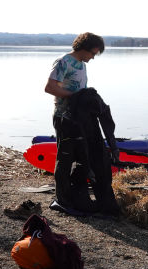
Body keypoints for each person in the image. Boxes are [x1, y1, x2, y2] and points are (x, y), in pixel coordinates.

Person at [44, 32, 105, 209]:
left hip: (78, 119)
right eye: (93, 53)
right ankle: (62, 200)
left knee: (80, 158)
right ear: (85, 48)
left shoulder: (81, 64)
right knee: (64, 159)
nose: (93, 57)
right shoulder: (64, 61)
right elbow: (50, 87)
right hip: (63, 118)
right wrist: (75, 98)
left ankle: (75, 195)